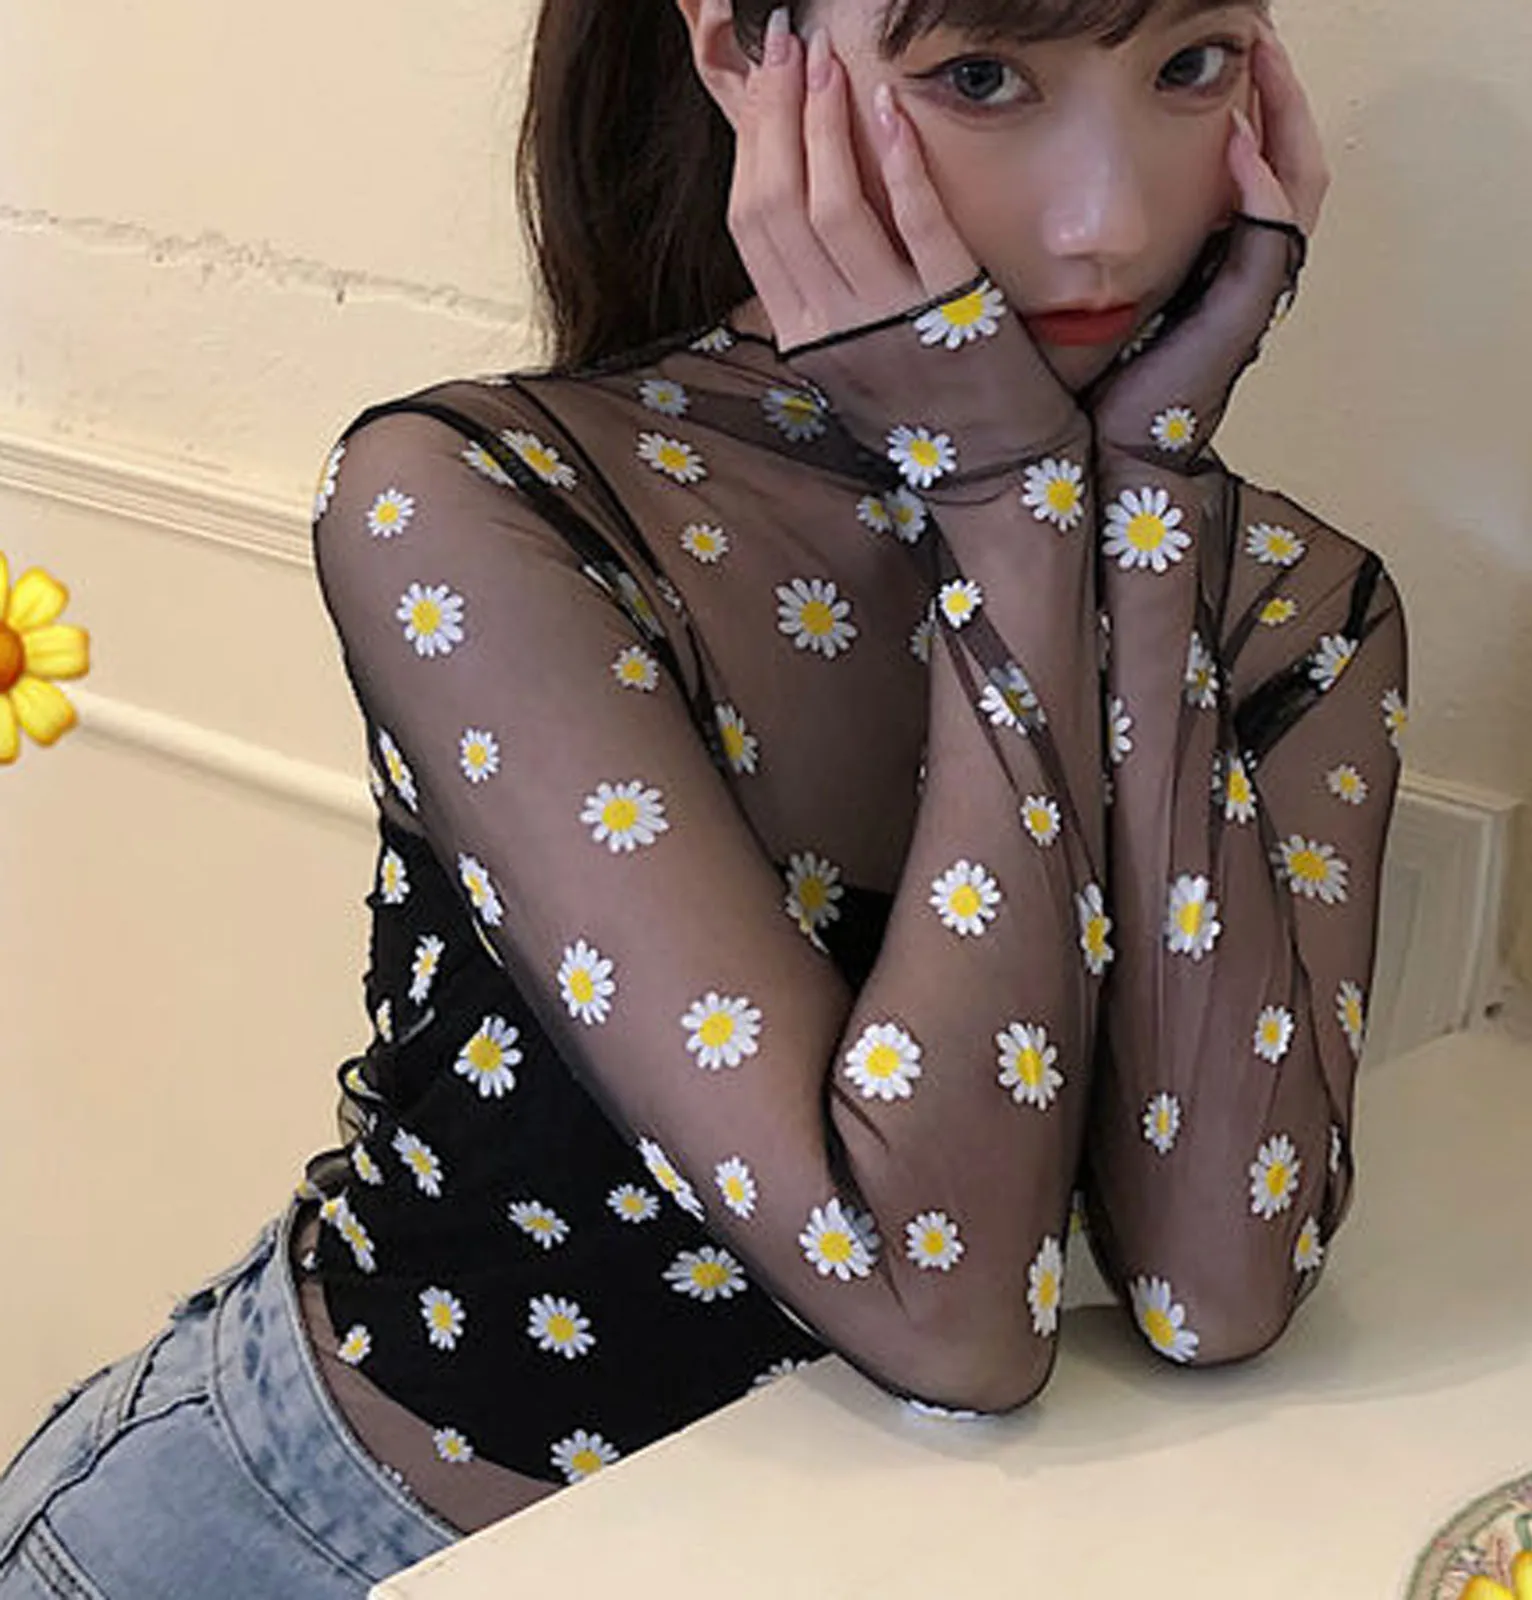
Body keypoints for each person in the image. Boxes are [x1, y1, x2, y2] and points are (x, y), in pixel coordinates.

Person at [0, 0, 1407, 1592]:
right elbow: (940, 1311)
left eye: (1191, 67)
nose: (1113, 221)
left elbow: (1218, 1286)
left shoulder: (1290, 602)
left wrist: (1135, 515)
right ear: (744, 51)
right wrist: (1013, 509)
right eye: (982, 78)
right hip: (306, 1545)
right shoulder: (478, 497)